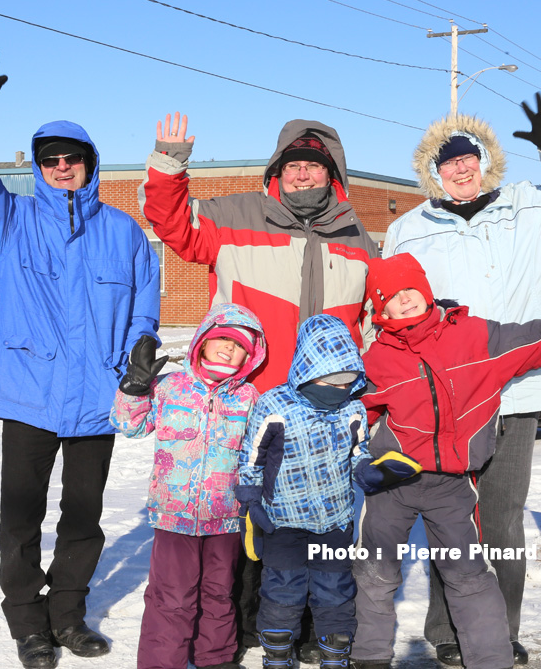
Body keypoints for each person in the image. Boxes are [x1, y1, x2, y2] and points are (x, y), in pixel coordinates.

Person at [0, 45, 161, 669]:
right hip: (28, 393)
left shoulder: (122, 231)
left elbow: (143, 301)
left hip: (98, 397)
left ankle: (68, 615)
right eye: (51, 160)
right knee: (21, 517)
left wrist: (142, 346)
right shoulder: (10, 220)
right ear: (39, 167)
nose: (62, 167)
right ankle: (26, 622)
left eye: (72, 158)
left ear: (90, 163)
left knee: (83, 516)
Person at [383, 92, 541, 666]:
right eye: (449, 162)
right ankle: (446, 631)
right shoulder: (409, 229)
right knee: (448, 516)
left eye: (469, 158)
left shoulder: (532, 206)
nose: (461, 169)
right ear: (433, 172)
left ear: (485, 161)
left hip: (518, 389)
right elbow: (391, 310)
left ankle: (500, 632)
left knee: (503, 518)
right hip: (447, 397)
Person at [142, 112, 379, 654]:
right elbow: (171, 223)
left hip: (324, 414)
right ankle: (249, 628)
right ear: (277, 170)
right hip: (250, 402)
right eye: (293, 165)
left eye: (313, 167)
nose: (302, 174)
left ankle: (311, 630)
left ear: (333, 176)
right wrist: (169, 161)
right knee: (251, 516)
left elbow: (370, 322)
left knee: (320, 523)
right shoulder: (234, 216)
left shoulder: (358, 238)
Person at [348, 254, 541, 669]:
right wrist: (357, 456)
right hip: (392, 482)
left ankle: (491, 659)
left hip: (451, 486)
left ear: (425, 289)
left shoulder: (474, 337)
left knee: (469, 576)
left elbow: (538, 339)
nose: (405, 299)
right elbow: (354, 413)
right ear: (382, 310)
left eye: (410, 289)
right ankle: (368, 657)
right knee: (374, 574)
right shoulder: (376, 358)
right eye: (392, 297)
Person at [111, 303, 267, 669]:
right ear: (203, 340)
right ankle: (162, 662)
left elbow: (257, 454)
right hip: (174, 516)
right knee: (173, 596)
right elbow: (130, 425)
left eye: (239, 345)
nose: (229, 348)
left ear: (250, 355)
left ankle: (215, 657)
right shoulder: (170, 387)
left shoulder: (248, 398)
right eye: (224, 339)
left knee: (219, 593)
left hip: (225, 517)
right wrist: (134, 388)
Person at [235, 314, 372, 669]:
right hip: (283, 521)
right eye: (331, 381)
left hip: (334, 521)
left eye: (347, 381)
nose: (340, 390)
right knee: (282, 589)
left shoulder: (353, 408)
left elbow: (360, 452)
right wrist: (249, 497)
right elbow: (251, 456)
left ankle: (335, 654)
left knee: (335, 590)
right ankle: (277, 655)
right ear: (309, 371)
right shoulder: (274, 405)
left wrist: (369, 470)